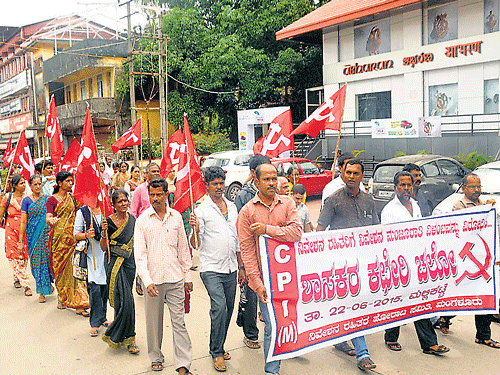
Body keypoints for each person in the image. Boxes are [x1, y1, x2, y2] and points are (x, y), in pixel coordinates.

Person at [237, 163, 303, 375]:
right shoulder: (247, 212)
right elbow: (247, 251)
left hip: (289, 277)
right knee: (272, 327)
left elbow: (297, 232)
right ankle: (271, 370)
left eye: (274, 178)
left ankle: (287, 352)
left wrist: (268, 230)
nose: (272, 183)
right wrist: (256, 283)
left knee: (291, 322)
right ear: (256, 181)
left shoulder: (288, 203)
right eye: (266, 179)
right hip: (265, 281)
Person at [381, 171, 450, 355]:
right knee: (398, 303)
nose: (406, 189)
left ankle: (429, 344)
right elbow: (388, 240)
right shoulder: (389, 210)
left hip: (417, 262)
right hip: (398, 264)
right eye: (402, 185)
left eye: (408, 185)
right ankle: (391, 336)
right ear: (395, 187)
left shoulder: (416, 205)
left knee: (421, 301)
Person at [317, 160, 377, 370]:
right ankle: (362, 354)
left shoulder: (369, 200)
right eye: (347, 172)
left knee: (350, 306)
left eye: (355, 173)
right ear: (342, 174)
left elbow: (377, 232)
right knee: (354, 307)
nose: (351, 176)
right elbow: (320, 232)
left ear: (362, 176)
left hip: (364, 264)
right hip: (342, 266)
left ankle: (339, 338)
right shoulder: (333, 201)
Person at [134, 177, 193, 374]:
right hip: (153, 282)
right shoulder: (142, 221)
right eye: (152, 195)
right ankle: (156, 356)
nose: (156, 198)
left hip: (175, 279)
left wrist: (188, 277)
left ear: (167, 195)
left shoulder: (176, 217)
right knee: (154, 324)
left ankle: (183, 363)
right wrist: (147, 280)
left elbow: (184, 250)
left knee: (179, 323)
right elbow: (139, 256)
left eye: (160, 194)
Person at [189, 166, 245, 372]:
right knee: (219, 307)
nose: (219, 187)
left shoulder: (232, 207)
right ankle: (216, 352)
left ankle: (219, 344)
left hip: (231, 267)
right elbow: (196, 244)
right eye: (215, 184)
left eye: (222, 183)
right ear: (207, 186)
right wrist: (194, 228)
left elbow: (237, 238)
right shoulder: (202, 210)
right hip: (211, 268)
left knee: (228, 309)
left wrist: (241, 267)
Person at [435, 173, 500, 348]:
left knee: (484, 298)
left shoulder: (485, 205)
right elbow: (465, 227)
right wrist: (484, 211)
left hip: (483, 260)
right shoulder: (459, 205)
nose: (477, 190)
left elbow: (493, 230)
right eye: (472, 187)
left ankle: (483, 336)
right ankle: (444, 316)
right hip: (467, 260)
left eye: (479, 186)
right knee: (463, 297)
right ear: (464, 188)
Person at [233, 154, 270, 350]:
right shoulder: (243, 196)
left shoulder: (276, 193)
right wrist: (243, 265)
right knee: (250, 295)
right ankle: (250, 333)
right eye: (265, 175)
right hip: (252, 257)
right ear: (255, 175)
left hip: (271, 259)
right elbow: (242, 235)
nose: (270, 180)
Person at [100, 189, 140, 354]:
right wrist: (103, 233)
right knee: (124, 300)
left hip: (129, 263)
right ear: (113, 205)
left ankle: (121, 331)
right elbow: (104, 248)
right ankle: (129, 337)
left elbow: (137, 242)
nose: (124, 204)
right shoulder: (107, 222)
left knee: (126, 298)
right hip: (114, 263)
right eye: (120, 201)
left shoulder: (133, 220)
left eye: (125, 200)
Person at [46, 171, 90, 315]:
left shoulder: (73, 198)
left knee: (76, 271)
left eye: (72, 181)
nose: (71, 183)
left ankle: (80, 303)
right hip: (58, 241)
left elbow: (85, 205)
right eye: (68, 181)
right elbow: (48, 217)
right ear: (60, 183)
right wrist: (51, 220)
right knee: (60, 271)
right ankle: (63, 297)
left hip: (73, 241)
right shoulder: (52, 200)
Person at [74, 204, 109, 337]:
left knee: (104, 289)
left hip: (106, 255)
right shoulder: (83, 212)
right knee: (94, 289)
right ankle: (95, 322)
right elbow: (76, 234)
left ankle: (103, 318)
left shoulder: (107, 208)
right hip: (91, 256)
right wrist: (86, 235)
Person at [19, 175, 52, 302]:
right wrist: (20, 241)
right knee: (36, 263)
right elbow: (23, 222)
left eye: (39, 184)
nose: (38, 187)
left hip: (46, 235)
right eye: (35, 184)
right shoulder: (26, 201)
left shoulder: (47, 199)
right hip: (33, 236)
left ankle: (44, 289)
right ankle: (41, 290)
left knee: (47, 261)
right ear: (30, 186)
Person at [0, 174, 31, 296]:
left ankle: (17, 277)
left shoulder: (27, 199)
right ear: (14, 186)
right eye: (21, 183)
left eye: (24, 183)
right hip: (11, 230)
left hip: (24, 230)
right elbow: (1, 213)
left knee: (23, 255)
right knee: (14, 256)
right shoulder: (7, 198)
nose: (24, 185)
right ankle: (26, 284)